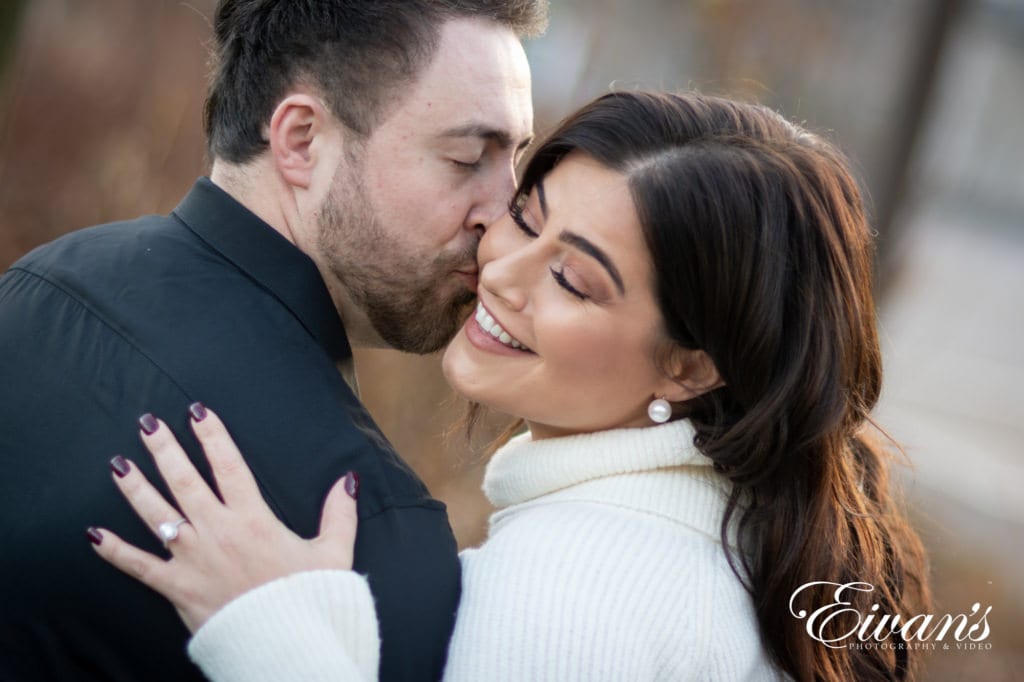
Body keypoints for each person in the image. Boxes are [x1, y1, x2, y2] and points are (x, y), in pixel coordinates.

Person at [91, 90, 933, 681]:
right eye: (526, 218)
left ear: (691, 364)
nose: (500, 272)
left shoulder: (568, 591)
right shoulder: (738, 537)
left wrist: (273, 627)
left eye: (573, 279)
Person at [0, 1, 546, 680]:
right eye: (467, 158)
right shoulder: (366, 529)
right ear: (300, 140)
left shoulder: (37, 285)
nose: (503, 216)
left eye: (516, 161)